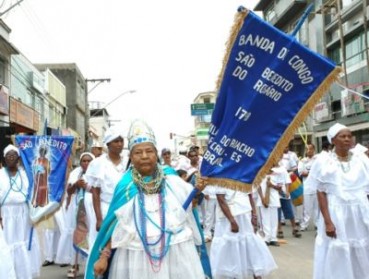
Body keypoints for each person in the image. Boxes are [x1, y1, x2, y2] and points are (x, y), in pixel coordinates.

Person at [86, 119, 206, 279]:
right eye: (138, 152)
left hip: (175, 252)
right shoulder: (126, 185)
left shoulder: (170, 176)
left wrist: (198, 191)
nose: (144, 156)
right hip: (136, 256)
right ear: (131, 156)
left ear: (156, 154)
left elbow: (190, 206)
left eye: (149, 151)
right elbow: (117, 223)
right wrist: (104, 256)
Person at [312, 123, 369, 279]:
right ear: (333, 140)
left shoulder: (361, 159)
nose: (347, 139)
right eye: (342, 136)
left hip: (360, 212)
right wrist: (328, 222)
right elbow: (321, 192)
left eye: (349, 136)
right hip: (337, 212)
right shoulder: (325, 161)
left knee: (361, 248)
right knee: (339, 249)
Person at [210, 186, 277, 279]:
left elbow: (250, 196)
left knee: (251, 245)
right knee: (230, 248)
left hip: (245, 216)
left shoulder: (244, 175)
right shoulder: (220, 177)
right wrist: (232, 221)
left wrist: (254, 215)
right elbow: (221, 200)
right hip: (227, 219)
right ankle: (234, 275)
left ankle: (256, 273)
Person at [0, 144, 41, 278]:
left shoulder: (25, 174)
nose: (11, 157)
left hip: (23, 213)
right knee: (7, 244)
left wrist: (33, 214)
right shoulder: (0, 174)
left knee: (22, 243)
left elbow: (32, 194)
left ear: (18, 158)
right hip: (5, 213)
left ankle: (23, 274)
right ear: (5, 158)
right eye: (8, 155)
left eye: (14, 155)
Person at [56, 152, 95, 278]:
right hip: (76, 208)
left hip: (92, 208)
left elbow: (101, 191)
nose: (86, 163)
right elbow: (69, 191)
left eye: (89, 161)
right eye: (84, 161)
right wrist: (76, 185)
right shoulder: (75, 173)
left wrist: (87, 187)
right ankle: (75, 264)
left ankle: (92, 264)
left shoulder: (97, 172)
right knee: (77, 234)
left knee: (91, 235)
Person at [85, 127, 126, 232]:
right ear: (108, 144)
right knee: (105, 244)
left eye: (121, 141)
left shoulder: (128, 162)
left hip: (125, 210)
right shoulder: (99, 163)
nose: (120, 144)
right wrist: (99, 219)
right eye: (116, 141)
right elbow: (95, 193)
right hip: (106, 209)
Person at [298, 143, 318, 231]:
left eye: (310, 149)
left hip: (317, 188)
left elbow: (319, 172)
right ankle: (304, 225)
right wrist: (312, 173)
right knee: (307, 208)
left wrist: (310, 172)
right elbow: (302, 173)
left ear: (314, 150)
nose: (309, 151)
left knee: (317, 208)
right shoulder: (302, 161)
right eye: (307, 149)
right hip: (307, 187)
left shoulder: (318, 159)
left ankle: (317, 224)